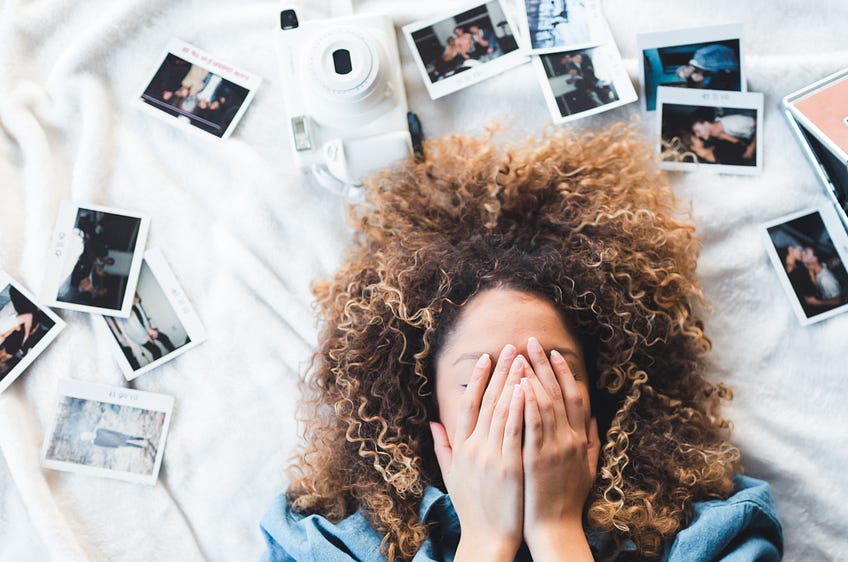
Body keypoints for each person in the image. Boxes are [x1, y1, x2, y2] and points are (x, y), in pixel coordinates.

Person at [260, 125, 782, 561]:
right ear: (425, 401)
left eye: (551, 370)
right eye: (478, 378)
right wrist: (487, 539)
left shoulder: (718, 529)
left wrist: (556, 531)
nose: (519, 399)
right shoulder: (324, 538)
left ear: (600, 392)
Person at [690, 111, 756, 164]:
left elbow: (758, 123)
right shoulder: (712, 136)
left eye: (698, 131)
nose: (697, 135)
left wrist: (752, 147)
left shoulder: (734, 123)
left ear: (706, 124)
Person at [675, 44, 740, 91]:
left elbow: (716, 48)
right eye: (685, 76)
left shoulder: (699, 54)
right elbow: (716, 72)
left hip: (733, 56)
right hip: (733, 66)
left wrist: (731, 52)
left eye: (684, 71)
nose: (687, 73)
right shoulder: (700, 72)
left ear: (684, 67)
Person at [79, 428, 150, 450]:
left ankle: (144, 438)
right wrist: (115, 446)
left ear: (88, 433)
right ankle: (143, 447)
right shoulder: (95, 442)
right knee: (131, 444)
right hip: (116, 443)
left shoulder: (98, 430)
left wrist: (119, 433)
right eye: (86, 438)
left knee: (132, 438)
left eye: (87, 435)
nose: (88, 437)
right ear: (87, 440)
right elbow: (105, 445)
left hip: (119, 436)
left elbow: (110, 431)